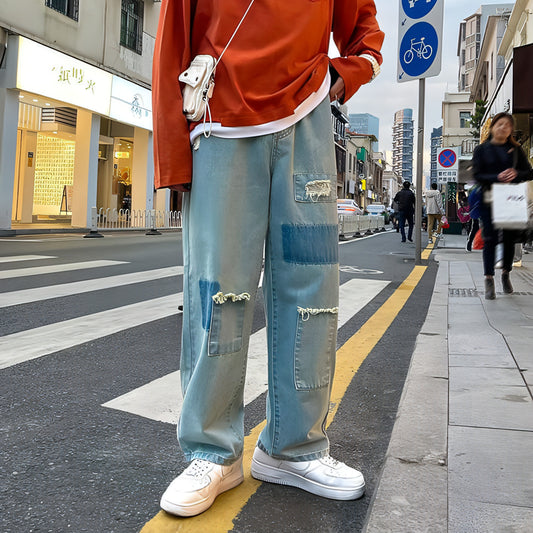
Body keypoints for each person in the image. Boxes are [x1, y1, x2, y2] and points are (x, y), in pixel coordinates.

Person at [152, 0, 384, 517]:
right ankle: (213, 452)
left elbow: (364, 28)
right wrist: (172, 155)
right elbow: (172, 36)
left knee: (313, 288)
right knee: (219, 290)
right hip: (220, 128)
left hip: (308, 123)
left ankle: (294, 447)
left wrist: (341, 77)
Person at [472, 112, 533, 299]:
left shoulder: (516, 150)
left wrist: (516, 174)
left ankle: (506, 273)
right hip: (489, 199)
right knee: (489, 238)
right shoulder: (481, 150)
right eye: (500, 124)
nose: (504, 127)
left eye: (508, 125)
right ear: (493, 127)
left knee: (508, 240)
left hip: (509, 200)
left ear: (511, 130)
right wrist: (496, 177)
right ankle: (488, 278)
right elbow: (477, 175)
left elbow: (529, 172)